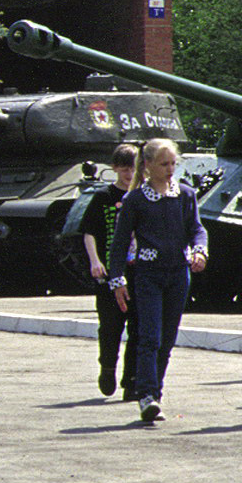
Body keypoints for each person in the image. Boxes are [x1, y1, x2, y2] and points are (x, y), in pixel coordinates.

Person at [108, 138, 209, 423]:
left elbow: (197, 229)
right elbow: (118, 244)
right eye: (163, 164)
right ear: (148, 165)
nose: (169, 169)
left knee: (167, 337)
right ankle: (146, 395)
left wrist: (200, 251)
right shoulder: (135, 199)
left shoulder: (186, 195)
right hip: (148, 274)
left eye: (173, 163)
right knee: (149, 335)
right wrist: (117, 281)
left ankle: (157, 391)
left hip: (179, 273)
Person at [82, 143, 140, 400]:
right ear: (115, 168)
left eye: (135, 168)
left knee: (139, 329)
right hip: (109, 272)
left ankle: (132, 381)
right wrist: (95, 261)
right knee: (110, 327)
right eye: (125, 169)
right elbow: (89, 232)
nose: (130, 174)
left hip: (140, 272)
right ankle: (108, 367)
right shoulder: (104, 196)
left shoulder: (144, 195)